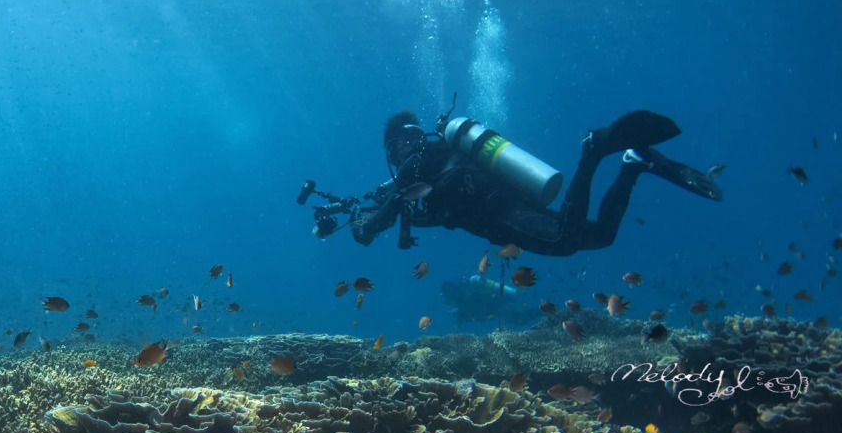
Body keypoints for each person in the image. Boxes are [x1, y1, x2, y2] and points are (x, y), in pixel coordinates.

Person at [304, 107, 721, 256]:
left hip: (503, 212)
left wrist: (361, 228)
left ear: (396, 145)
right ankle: (632, 165)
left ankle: (593, 151)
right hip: (509, 203)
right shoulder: (435, 155)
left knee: (565, 240)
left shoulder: (415, 165)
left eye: (392, 150)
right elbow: (404, 202)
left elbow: (385, 215)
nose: (394, 158)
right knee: (599, 238)